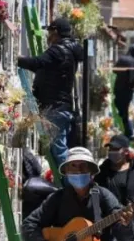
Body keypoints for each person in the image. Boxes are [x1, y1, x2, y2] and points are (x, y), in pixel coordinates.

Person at [17, 17, 84, 166]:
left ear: (56, 32)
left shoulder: (58, 50)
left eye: (50, 32)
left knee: (59, 151)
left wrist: (18, 59)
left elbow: (37, 63)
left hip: (55, 106)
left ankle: (72, 182)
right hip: (61, 106)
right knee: (58, 148)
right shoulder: (69, 51)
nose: (48, 36)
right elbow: (42, 66)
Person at [112, 44, 134, 140]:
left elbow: (114, 70)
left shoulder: (123, 59)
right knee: (124, 111)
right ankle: (128, 132)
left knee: (121, 110)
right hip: (129, 91)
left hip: (119, 89)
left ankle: (128, 132)